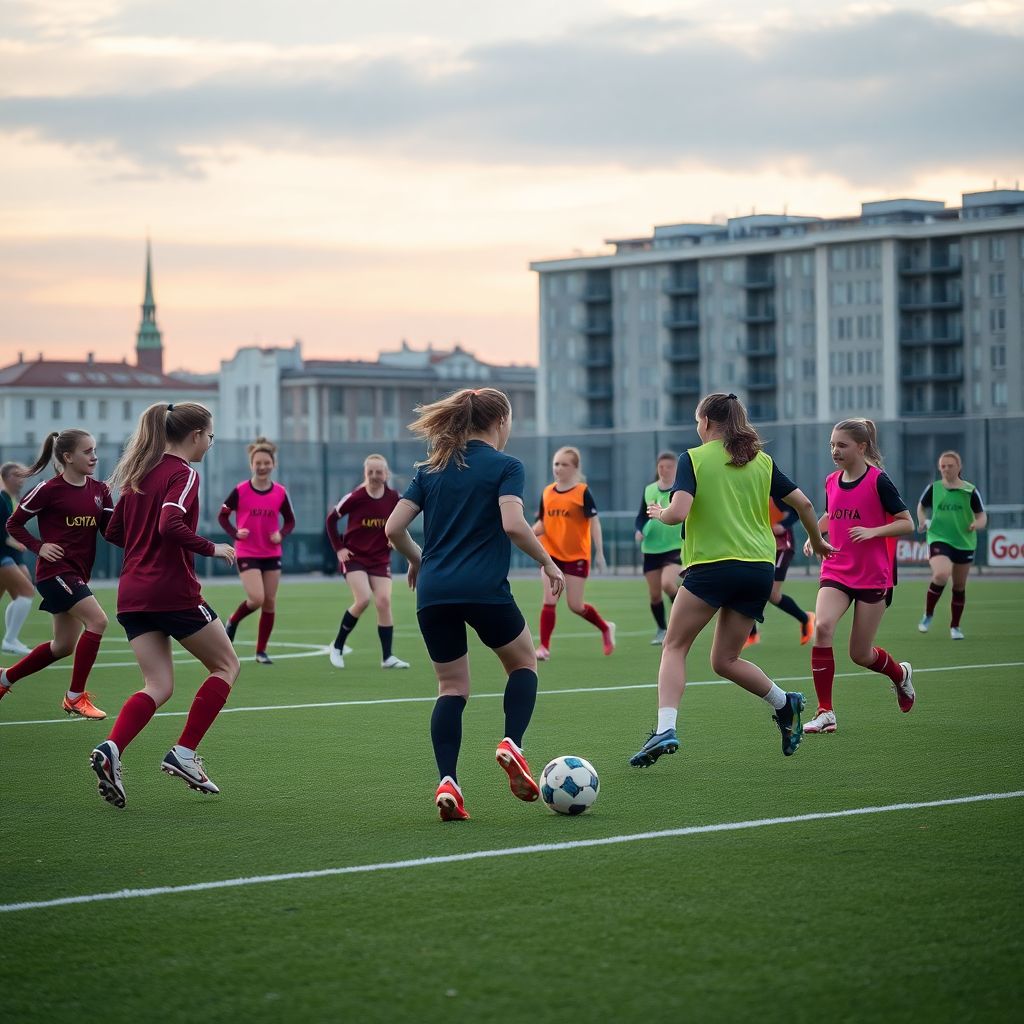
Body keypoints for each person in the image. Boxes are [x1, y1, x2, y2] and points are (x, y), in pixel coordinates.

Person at [384, 387, 566, 822]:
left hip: (434, 593)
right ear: (500, 422)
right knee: (523, 664)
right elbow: (514, 524)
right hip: (484, 589)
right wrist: (549, 562)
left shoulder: (431, 468)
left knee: (451, 689)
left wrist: (418, 561)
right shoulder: (507, 466)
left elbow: (393, 528)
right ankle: (511, 743)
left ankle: (448, 782)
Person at [628, 393, 833, 768]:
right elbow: (804, 504)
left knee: (674, 646)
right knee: (725, 660)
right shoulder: (762, 460)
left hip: (713, 566)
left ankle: (665, 728)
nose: (696, 427)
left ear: (705, 422)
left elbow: (680, 512)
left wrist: (660, 514)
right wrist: (817, 541)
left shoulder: (694, 458)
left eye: (696, 421)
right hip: (758, 568)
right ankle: (785, 704)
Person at [89, 402, 238, 809]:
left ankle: (112, 748)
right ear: (195, 436)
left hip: (132, 594)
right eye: (210, 435)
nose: (210, 442)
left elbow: (116, 531)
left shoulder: (138, 474)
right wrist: (212, 547)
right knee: (227, 666)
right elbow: (169, 524)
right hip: (171, 591)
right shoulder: (184, 473)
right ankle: (184, 752)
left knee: (158, 686)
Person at [802, 418, 916, 736]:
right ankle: (825, 711)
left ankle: (900, 675)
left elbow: (907, 523)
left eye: (842, 445)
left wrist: (874, 531)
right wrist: (815, 534)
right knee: (822, 627)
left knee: (860, 654)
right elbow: (831, 514)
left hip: (871, 576)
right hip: (836, 570)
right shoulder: (831, 481)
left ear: (861, 447)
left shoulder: (879, 481)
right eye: (832, 445)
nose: (835, 451)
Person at [0, 432, 113, 719]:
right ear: (67, 457)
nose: (94, 457)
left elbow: (113, 533)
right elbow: (14, 524)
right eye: (87, 452)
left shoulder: (101, 490)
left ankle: (5, 678)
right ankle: (75, 697)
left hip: (78, 575)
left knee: (62, 646)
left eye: (95, 450)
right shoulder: (48, 489)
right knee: (98, 621)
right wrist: (39, 547)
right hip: (54, 574)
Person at [325, 454, 409, 670]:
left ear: (386, 474)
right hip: (354, 558)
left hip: (379, 558)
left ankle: (387, 657)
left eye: (378, 472)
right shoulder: (355, 497)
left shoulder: (394, 498)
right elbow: (331, 520)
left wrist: (394, 538)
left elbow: (400, 522)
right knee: (363, 599)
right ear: (365, 474)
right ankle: (337, 646)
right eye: (370, 472)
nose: (374, 476)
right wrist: (339, 548)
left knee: (384, 601)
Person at [219, 437, 295, 664]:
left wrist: (281, 534)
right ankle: (233, 620)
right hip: (247, 552)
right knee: (257, 598)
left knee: (270, 602)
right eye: (258, 463)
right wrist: (234, 533)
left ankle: (261, 651)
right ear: (251, 464)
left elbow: (290, 521)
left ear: (273, 464)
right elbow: (223, 515)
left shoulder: (280, 492)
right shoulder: (240, 490)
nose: (262, 467)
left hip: (271, 553)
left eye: (266, 463)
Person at [533, 446, 614, 660]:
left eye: (564, 464)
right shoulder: (547, 492)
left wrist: (599, 553)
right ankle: (544, 648)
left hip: (577, 556)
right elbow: (543, 523)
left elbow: (594, 522)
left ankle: (605, 628)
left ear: (575, 467)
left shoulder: (582, 492)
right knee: (549, 600)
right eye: (556, 464)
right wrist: (526, 534)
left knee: (575, 606)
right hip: (551, 555)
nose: (558, 468)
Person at [916, 450, 986, 640]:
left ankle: (955, 626)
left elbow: (981, 515)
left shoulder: (970, 490)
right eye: (943, 466)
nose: (946, 469)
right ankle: (928, 615)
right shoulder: (934, 488)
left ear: (959, 467)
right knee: (941, 573)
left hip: (964, 541)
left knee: (959, 586)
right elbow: (921, 506)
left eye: (950, 465)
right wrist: (923, 521)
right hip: (939, 537)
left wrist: (976, 524)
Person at [744, 497, 816, 648]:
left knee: (772, 593)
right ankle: (751, 634)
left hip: (783, 547)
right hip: (762, 546)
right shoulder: (747, 488)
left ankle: (805, 619)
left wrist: (783, 525)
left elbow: (798, 509)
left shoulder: (775, 489)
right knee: (751, 586)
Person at [634, 451, 682, 645]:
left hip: (675, 546)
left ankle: (686, 615)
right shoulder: (649, 490)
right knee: (655, 595)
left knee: (668, 584)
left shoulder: (681, 490)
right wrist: (640, 530)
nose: (664, 470)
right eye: (661, 466)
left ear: (676, 469)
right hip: (651, 548)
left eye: (669, 466)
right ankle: (662, 629)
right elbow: (641, 517)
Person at [1, 462, 34, 656]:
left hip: (13, 556)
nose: (20, 479)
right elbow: (2, 533)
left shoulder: (14, 499)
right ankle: (10, 640)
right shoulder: (1, 499)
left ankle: (11, 639)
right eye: (16, 475)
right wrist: (18, 543)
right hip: (3, 556)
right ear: (4, 477)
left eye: (22, 475)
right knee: (27, 591)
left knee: (20, 594)